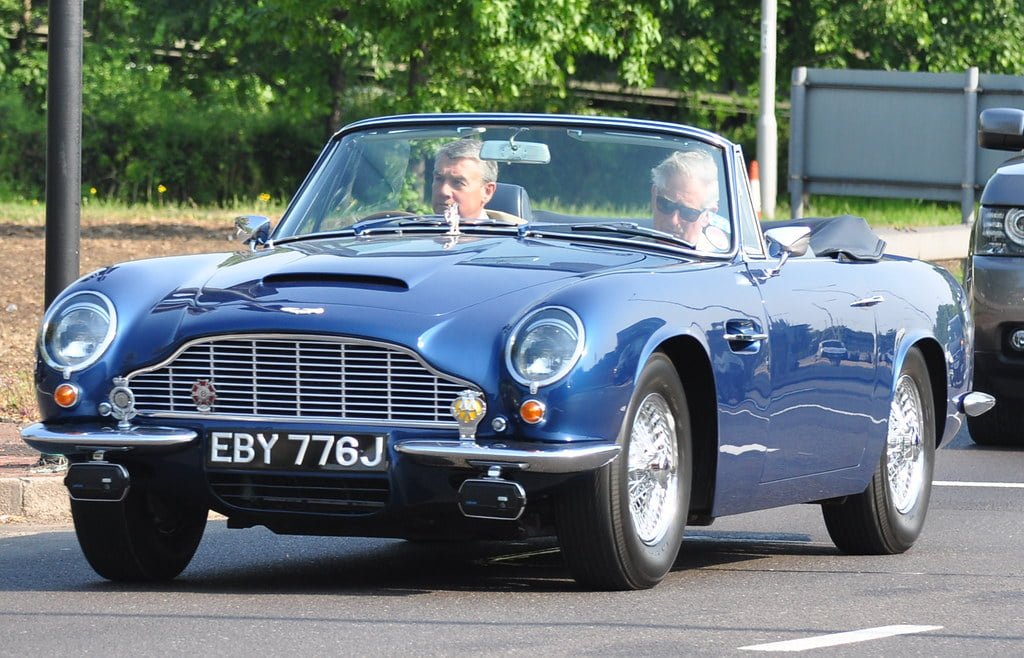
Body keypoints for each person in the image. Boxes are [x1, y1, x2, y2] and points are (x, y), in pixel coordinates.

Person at [650, 149, 730, 252]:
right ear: (653, 197)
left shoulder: (720, 263)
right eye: (666, 205)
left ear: (707, 215)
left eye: (688, 213)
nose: (673, 221)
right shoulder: (629, 255)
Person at [431, 138, 499, 220]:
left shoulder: (508, 232)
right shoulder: (415, 230)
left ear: (487, 192)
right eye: (439, 179)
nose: (443, 191)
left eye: (458, 183)